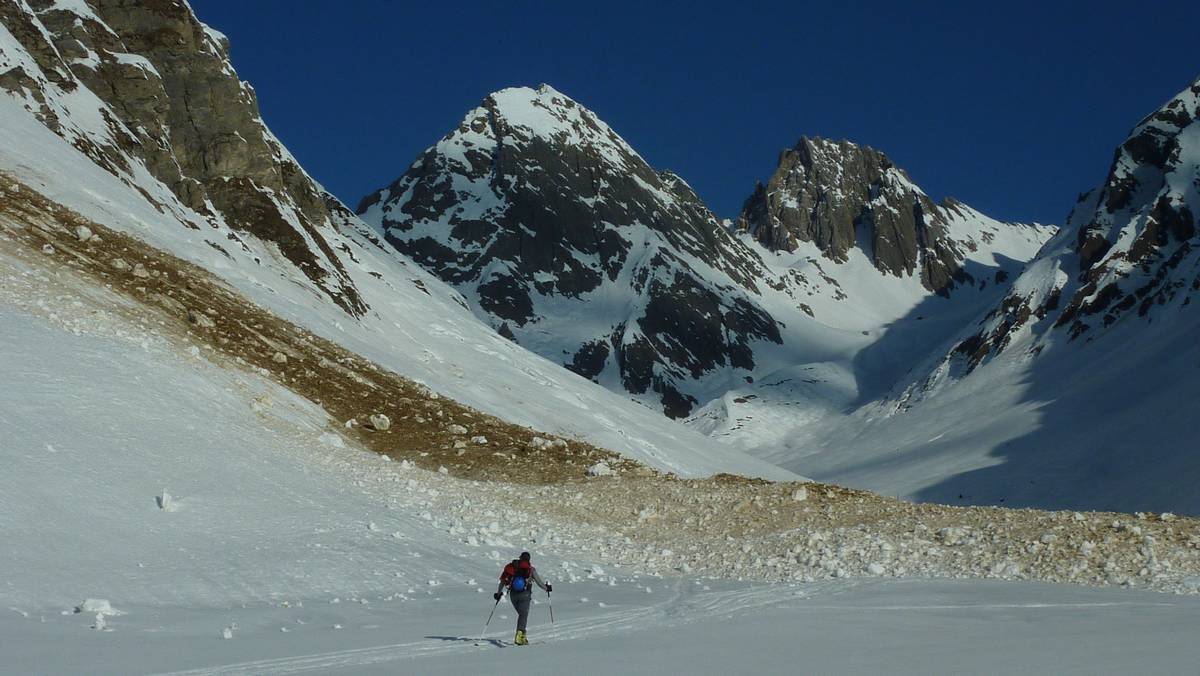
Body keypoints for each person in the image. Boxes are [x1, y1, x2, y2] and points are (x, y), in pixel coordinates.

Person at [493, 551, 552, 645]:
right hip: (525, 594)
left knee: (521, 615)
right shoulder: (530, 569)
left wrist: (498, 593)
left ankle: (522, 636)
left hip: (513, 595)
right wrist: (547, 588)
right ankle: (520, 637)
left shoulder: (511, 568)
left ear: (520, 558)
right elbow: (539, 582)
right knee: (523, 616)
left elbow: (503, 581)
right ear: (529, 559)